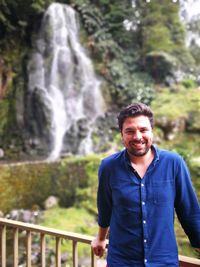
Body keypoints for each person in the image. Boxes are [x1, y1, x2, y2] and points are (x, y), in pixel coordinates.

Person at [91, 102, 200, 267]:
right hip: (122, 262)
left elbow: (189, 212)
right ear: (121, 134)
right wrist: (100, 238)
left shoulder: (174, 163)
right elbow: (105, 207)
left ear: (151, 131)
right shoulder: (108, 167)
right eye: (130, 131)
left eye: (143, 130)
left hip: (163, 261)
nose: (137, 136)